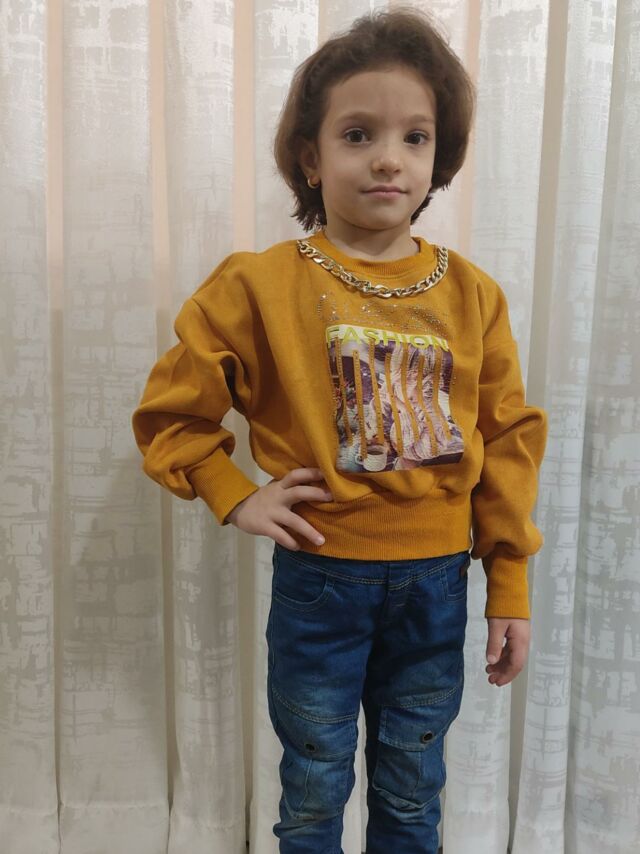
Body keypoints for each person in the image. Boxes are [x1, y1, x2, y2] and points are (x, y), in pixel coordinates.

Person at [131, 6, 548, 852]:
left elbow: (507, 439)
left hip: (437, 586)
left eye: (415, 137)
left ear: (438, 158)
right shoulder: (257, 286)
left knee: (412, 788)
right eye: (359, 135)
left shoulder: (473, 295)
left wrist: (508, 583)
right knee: (314, 788)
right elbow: (173, 411)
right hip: (322, 580)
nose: (389, 158)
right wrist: (234, 493)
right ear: (310, 159)